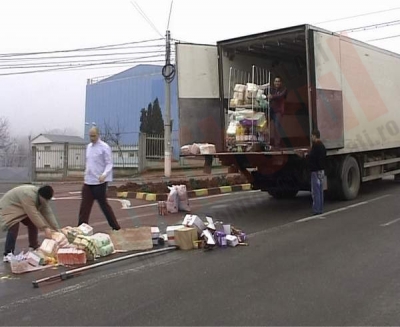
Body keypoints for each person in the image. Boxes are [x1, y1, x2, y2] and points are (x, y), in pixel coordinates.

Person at [0, 185, 59, 262]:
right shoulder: (29, 196)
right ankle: (8, 254)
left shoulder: (41, 198)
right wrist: (45, 228)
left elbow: (48, 213)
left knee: (32, 223)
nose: (46, 202)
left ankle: (33, 247)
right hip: (8, 207)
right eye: (45, 200)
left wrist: (57, 229)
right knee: (13, 225)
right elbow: (33, 214)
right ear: (41, 196)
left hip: (20, 207)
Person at [78, 127, 121, 230]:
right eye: (90, 136)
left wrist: (104, 174)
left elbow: (109, 163)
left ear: (98, 135)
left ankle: (115, 227)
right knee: (84, 207)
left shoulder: (104, 147)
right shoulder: (88, 147)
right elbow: (89, 163)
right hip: (88, 181)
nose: (92, 138)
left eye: (94, 136)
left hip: (99, 182)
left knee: (104, 206)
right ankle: (81, 229)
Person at [308, 130, 327, 215]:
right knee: (320, 190)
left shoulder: (315, 146)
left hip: (315, 170)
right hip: (321, 170)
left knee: (315, 191)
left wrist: (305, 156)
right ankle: (320, 208)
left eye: (312, 136)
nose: (311, 137)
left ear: (315, 136)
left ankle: (316, 209)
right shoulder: (322, 146)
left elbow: (312, 157)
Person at [266, 76, 287, 147]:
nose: (277, 83)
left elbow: (280, 96)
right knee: (263, 125)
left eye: (278, 81)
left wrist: (272, 96)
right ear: (273, 82)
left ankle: (277, 144)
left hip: (278, 111)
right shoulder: (271, 89)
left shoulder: (284, 89)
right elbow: (267, 96)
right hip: (270, 110)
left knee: (277, 127)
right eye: (276, 81)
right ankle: (264, 142)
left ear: (281, 83)